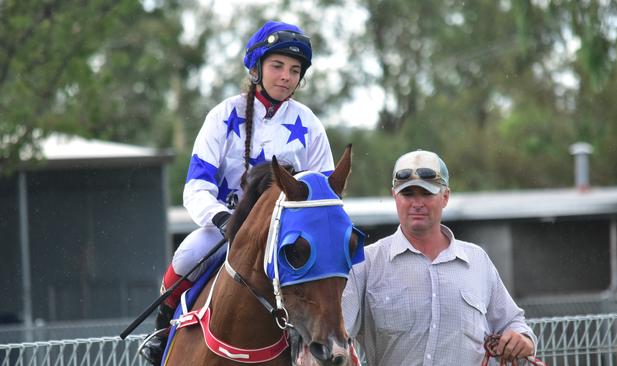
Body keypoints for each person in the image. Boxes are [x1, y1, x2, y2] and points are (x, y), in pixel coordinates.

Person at [139, 20, 335, 365]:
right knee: (187, 255)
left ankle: (329, 343)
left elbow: (326, 194)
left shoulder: (311, 125)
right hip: (228, 229)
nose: (286, 76)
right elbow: (196, 187)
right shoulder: (222, 116)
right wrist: (224, 220)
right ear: (256, 67)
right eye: (277, 66)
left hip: (287, 238)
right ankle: (161, 333)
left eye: (294, 70)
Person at [342, 150, 538, 366]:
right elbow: (335, 334)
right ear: (394, 196)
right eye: (408, 194)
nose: (417, 203)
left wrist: (523, 339)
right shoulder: (365, 263)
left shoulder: (477, 261)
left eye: (426, 193)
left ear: (445, 197)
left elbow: (512, 322)